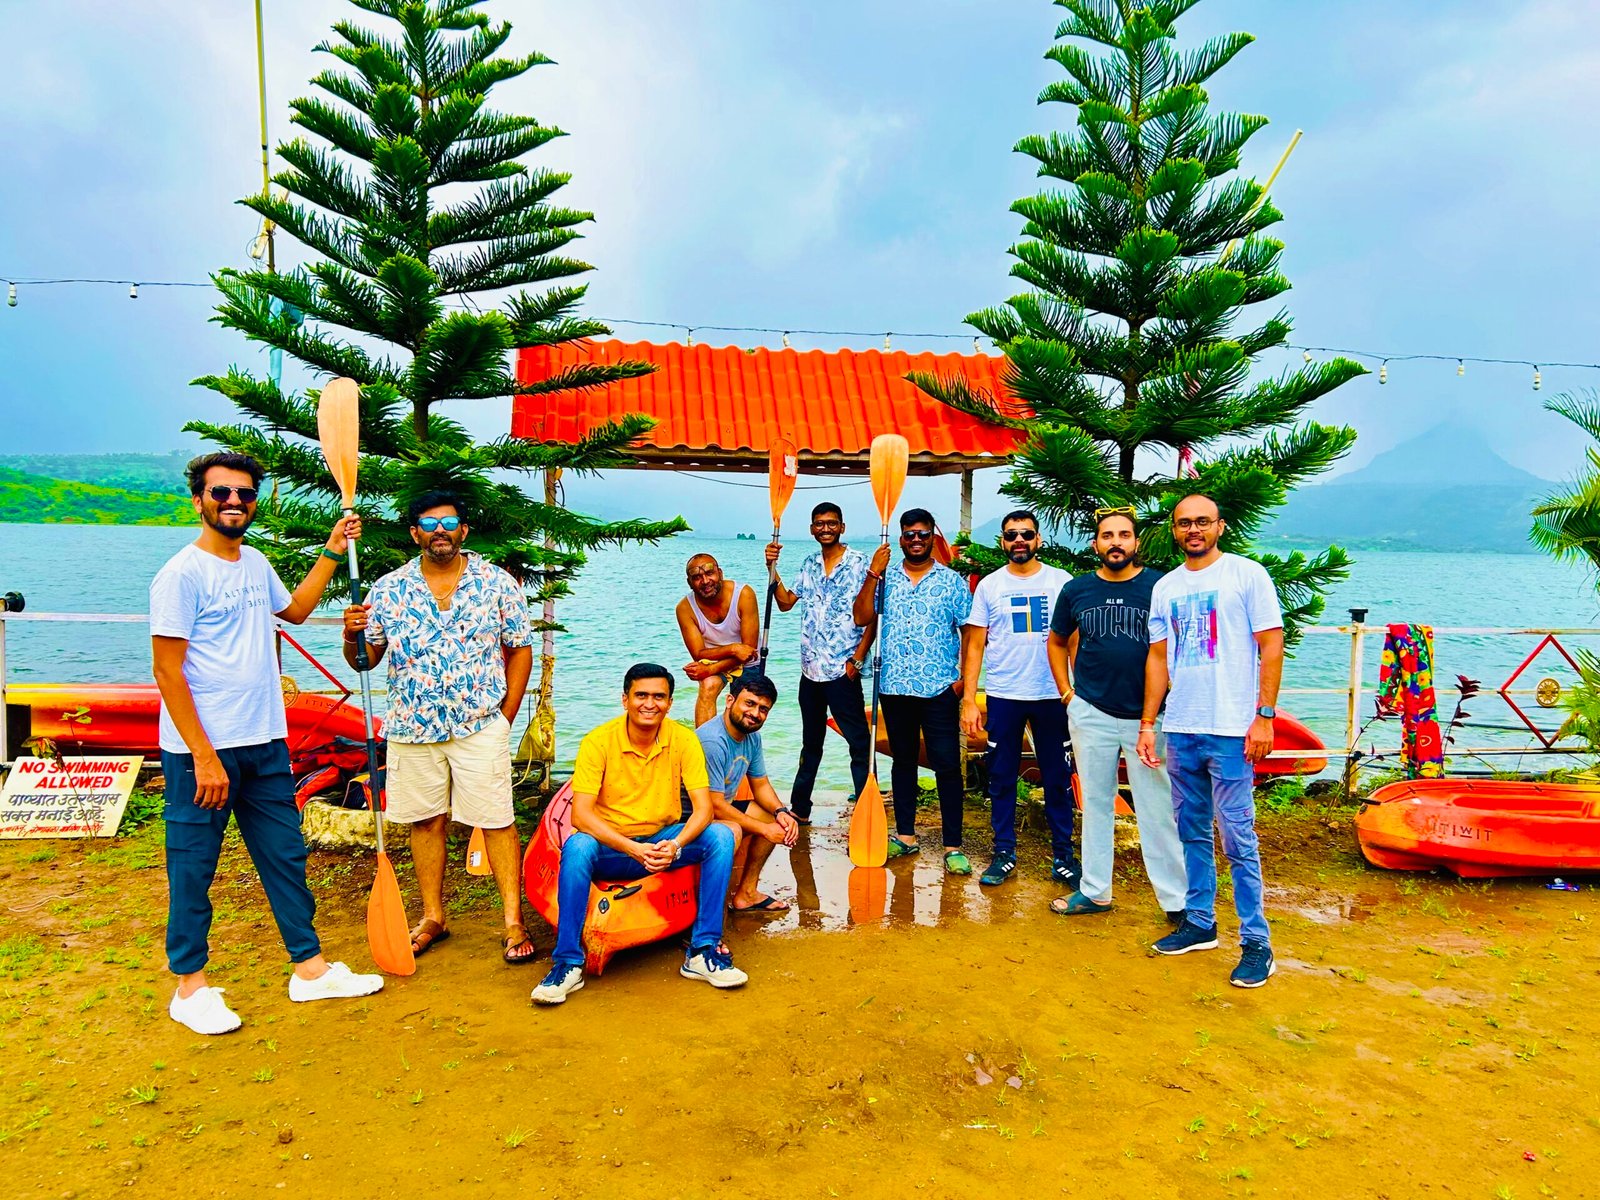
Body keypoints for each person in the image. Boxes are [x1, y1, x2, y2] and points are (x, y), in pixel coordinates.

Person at [150, 452, 382, 1035]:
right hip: (202, 752)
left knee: (285, 856)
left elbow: (296, 611)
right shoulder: (181, 575)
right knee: (193, 866)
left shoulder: (254, 562)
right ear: (199, 500)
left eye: (245, 494)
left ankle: (310, 970)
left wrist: (333, 548)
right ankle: (190, 987)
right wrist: (203, 755)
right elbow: (167, 671)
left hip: (264, 741)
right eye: (221, 492)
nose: (234, 502)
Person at [341, 491, 536, 965]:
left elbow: (520, 650)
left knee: (496, 820)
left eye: (448, 522)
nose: (440, 531)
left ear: (463, 530)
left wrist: (505, 718)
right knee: (426, 821)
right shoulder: (388, 589)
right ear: (415, 534)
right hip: (412, 727)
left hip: (480, 725)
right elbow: (364, 661)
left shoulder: (497, 583)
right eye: (428, 524)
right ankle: (433, 917)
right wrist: (350, 635)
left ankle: (512, 921)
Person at [531, 664, 745, 1005]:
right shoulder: (598, 741)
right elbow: (581, 815)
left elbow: (704, 809)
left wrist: (676, 845)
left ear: (670, 703)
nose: (649, 704)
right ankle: (568, 963)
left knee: (720, 836)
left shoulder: (684, 740)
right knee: (578, 844)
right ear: (625, 699)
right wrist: (632, 848)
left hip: (662, 839)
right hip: (613, 847)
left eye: (659, 697)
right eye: (641, 695)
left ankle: (702, 951)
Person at [1137, 495, 1284, 989]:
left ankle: (1257, 942)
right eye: (1184, 523)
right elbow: (1159, 658)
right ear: (1174, 531)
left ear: (1220, 526)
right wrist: (1149, 723)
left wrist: (1264, 717)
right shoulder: (1166, 587)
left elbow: (1271, 644)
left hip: (1232, 729)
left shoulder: (1246, 575)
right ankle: (1200, 921)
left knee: (1238, 836)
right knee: (1191, 830)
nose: (1193, 529)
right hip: (1182, 726)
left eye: (1203, 521)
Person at [1047, 508, 1186, 921]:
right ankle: (1095, 891)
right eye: (1107, 536)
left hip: (1149, 718)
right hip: (1092, 712)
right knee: (1095, 803)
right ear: (1096, 544)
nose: (1116, 542)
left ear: (1135, 542)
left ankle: (1176, 901)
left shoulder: (1160, 586)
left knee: (1156, 808)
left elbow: (1175, 644)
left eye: (1124, 535)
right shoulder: (1077, 590)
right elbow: (1056, 641)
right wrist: (1067, 694)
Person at [959, 510, 1075, 887]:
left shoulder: (1061, 581)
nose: (1019, 540)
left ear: (1038, 539)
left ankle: (1064, 856)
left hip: (1052, 695)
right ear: (1003, 541)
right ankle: (1004, 852)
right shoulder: (990, 586)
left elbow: (1074, 640)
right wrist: (969, 699)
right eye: (1011, 535)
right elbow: (975, 645)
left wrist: (1078, 693)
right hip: (1005, 694)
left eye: (1026, 533)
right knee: (1001, 777)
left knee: (1057, 777)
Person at [853, 508, 971, 872]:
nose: (916, 540)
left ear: (932, 537)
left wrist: (963, 681)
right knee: (902, 763)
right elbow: (861, 616)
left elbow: (970, 632)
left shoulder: (951, 581)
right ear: (901, 538)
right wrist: (873, 571)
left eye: (922, 534)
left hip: (939, 688)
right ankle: (905, 836)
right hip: (894, 686)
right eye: (909, 534)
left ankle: (953, 846)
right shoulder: (885, 578)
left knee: (946, 765)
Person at [765, 502, 874, 823]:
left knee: (859, 743)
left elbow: (872, 615)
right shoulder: (809, 564)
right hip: (810, 670)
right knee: (811, 743)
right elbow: (785, 602)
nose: (825, 528)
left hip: (842, 671)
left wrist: (858, 659)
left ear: (842, 527)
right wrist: (771, 568)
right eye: (819, 524)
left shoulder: (860, 563)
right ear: (812, 529)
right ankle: (800, 808)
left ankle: (866, 809)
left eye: (831, 523)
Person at [698, 674, 800, 913]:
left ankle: (747, 893)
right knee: (737, 830)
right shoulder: (713, 741)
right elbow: (714, 804)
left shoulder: (752, 737)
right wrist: (764, 829)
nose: (755, 713)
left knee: (775, 820)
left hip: (721, 807)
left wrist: (782, 812)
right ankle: (712, 907)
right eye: (750, 703)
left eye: (763, 709)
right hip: (694, 815)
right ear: (729, 700)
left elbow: (761, 785)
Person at [675, 554, 760, 726]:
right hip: (716, 657)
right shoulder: (685, 608)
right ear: (689, 583)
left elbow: (748, 652)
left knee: (745, 707)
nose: (705, 581)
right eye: (697, 577)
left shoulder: (743, 594)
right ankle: (704, 741)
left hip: (748, 662)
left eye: (709, 573)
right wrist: (733, 648)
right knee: (708, 686)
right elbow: (698, 653)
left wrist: (710, 669)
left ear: (720, 573)